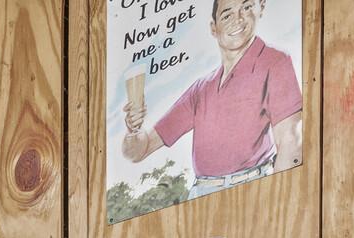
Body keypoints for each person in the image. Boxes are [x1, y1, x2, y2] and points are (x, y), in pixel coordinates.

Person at [121, 0, 303, 197]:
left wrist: (280, 203)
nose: (238, 19)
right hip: (201, 195)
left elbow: (290, 141)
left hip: (251, 187)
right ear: (213, 28)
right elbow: (139, 150)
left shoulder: (274, 61)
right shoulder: (201, 89)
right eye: (227, 15)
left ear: (261, 8)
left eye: (247, 7)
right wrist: (134, 130)